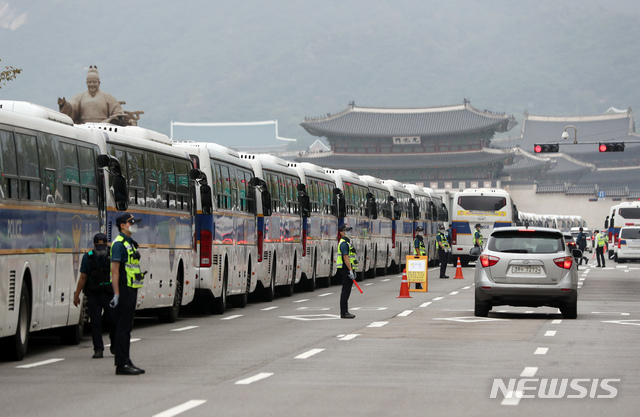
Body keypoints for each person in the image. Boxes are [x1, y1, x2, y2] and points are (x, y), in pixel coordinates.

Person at [110, 213, 145, 375]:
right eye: (131, 223)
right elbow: (115, 271)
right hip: (124, 290)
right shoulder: (118, 244)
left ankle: (126, 360)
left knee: (127, 327)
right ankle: (121, 364)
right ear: (123, 225)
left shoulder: (129, 243)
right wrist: (116, 293)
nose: (133, 225)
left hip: (131, 288)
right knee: (122, 328)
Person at [73, 232, 115, 359]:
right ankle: (98, 349)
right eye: (98, 247)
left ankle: (114, 344)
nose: (101, 251)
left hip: (109, 294)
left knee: (114, 321)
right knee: (95, 323)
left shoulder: (113, 255)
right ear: (94, 245)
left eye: (103, 247)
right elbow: (83, 277)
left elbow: (118, 273)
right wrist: (77, 294)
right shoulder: (88, 257)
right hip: (94, 295)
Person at [58, 65, 124, 125]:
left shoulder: (107, 97)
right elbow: (72, 107)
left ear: (99, 83)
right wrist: (64, 105)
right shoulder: (80, 97)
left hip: (104, 127)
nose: (92, 84)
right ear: (86, 83)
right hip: (84, 128)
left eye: (94, 82)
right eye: (89, 82)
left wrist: (115, 118)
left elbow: (117, 111)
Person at [336, 224, 357, 319]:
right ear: (341, 232)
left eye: (348, 230)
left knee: (347, 291)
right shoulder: (344, 243)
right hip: (345, 269)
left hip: (347, 269)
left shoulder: (347, 242)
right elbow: (345, 257)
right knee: (345, 291)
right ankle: (344, 312)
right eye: (346, 230)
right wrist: (350, 270)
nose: (348, 232)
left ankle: (345, 311)